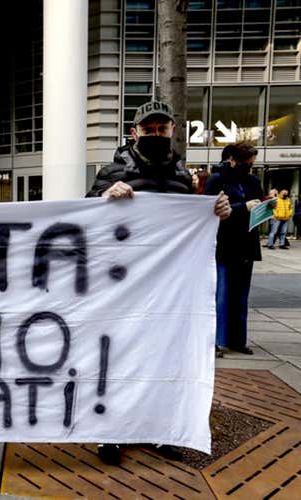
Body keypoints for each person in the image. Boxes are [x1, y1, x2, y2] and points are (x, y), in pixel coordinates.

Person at [86, 100, 231, 466]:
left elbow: (190, 226)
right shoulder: (112, 171)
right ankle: (110, 432)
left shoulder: (183, 176)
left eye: (161, 129)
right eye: (148, 130)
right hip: (121, 284)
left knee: (162, 358)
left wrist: (215, 213)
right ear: (134, 132)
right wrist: (105, 198)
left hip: (167, 289)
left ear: (171, 131)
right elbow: (85, 216)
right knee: (117, 359)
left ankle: (159, 429)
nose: (155, 134)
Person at [205, 142, 264, 358]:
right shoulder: (217, 180)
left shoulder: (252, 181)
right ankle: (217, 340)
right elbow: (211, 211)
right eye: (245, 162)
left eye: (251, 163)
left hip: (246, 244)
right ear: (232, 160)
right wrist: (243, 207)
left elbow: (258, 201)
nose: (248, 166)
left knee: (240, 297)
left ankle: (237, 340)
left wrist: (265, 207)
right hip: (224, 243)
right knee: (222, 295)